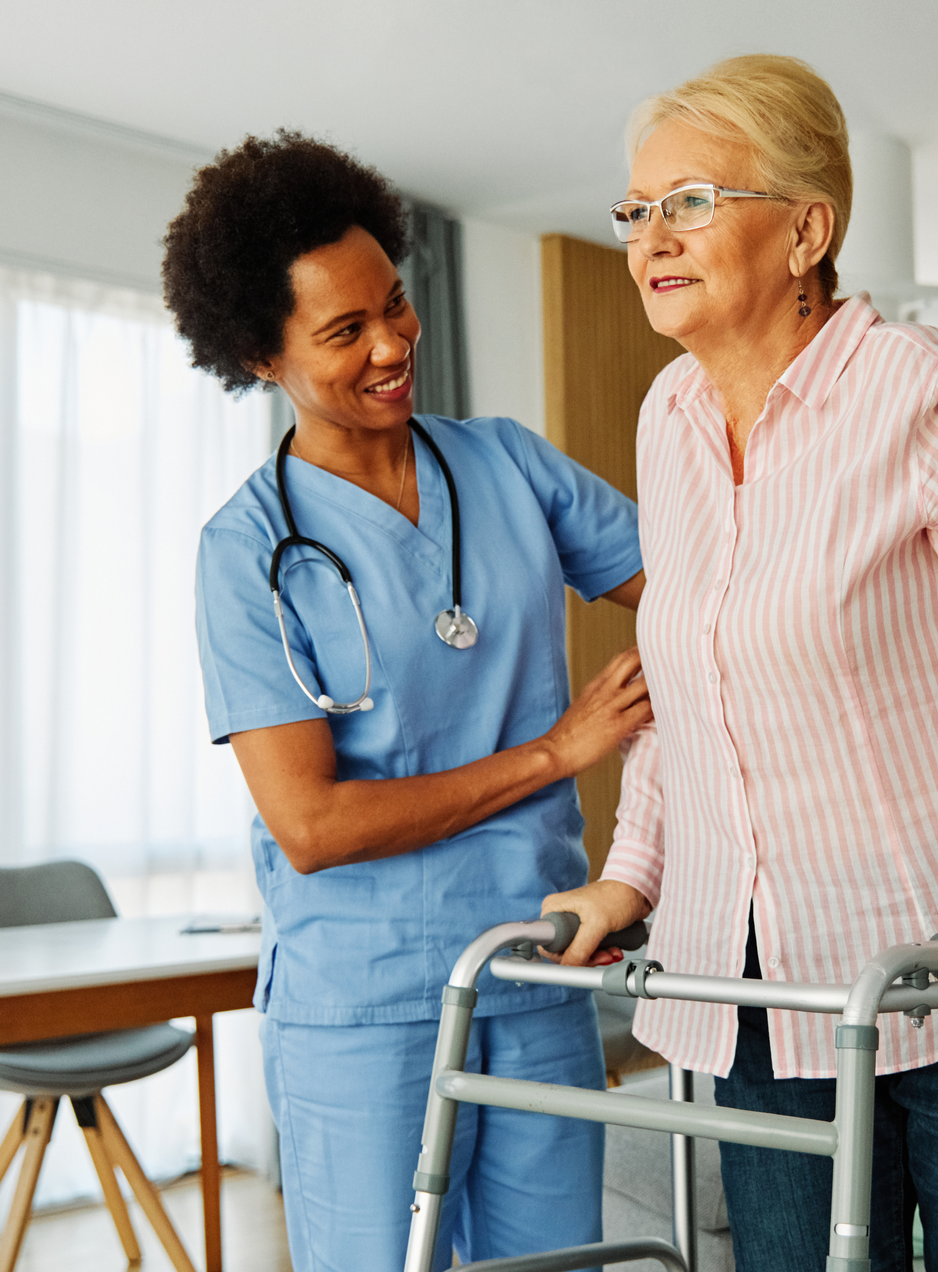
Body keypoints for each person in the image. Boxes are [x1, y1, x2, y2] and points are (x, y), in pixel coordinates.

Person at [544, 56, 938, 1271]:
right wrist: (629, 881)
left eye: (692, 202)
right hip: (766, 1009)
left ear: (806, 229)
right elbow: (697, 695)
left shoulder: (924, 398)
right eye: (636, 210)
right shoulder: (669, 420)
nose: (649, 238)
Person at [163, 131, 649, 1272]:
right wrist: (556, 752)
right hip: (362, 1010)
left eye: (396, 304)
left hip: (533, 973)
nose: (392, 344)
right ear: (258, 354)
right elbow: (313, 825)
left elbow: (697, 600)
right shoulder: (247, 552)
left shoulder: (508, 466)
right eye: (345, 331)